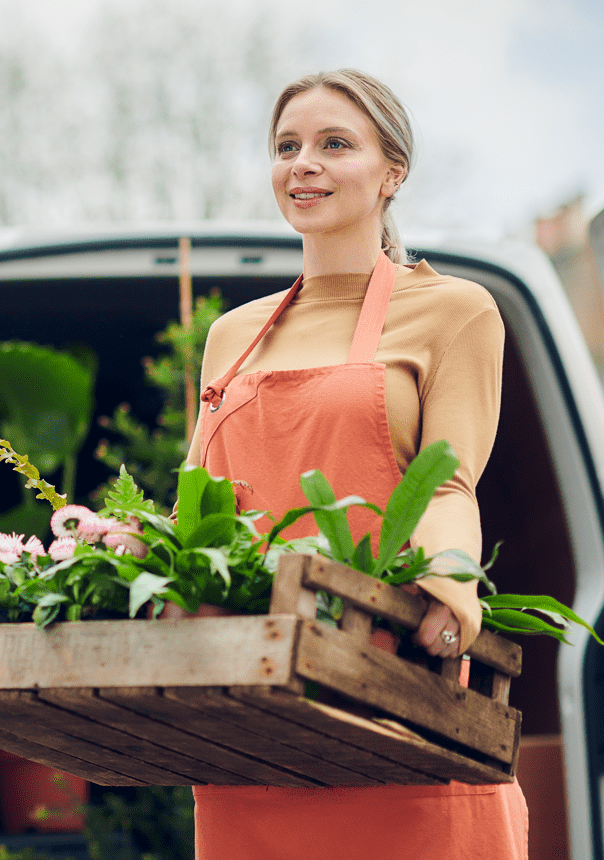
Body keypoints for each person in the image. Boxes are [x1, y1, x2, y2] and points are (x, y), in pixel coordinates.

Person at [187, 69, 529, 859]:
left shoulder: (454, 311)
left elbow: (445, 482)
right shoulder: (231, 335)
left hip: (393, 695)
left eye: (333, 144)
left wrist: (447, 577)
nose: (302, 163)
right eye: (286, 147)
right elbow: (197, 510)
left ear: (391, 173)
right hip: (250, 715)